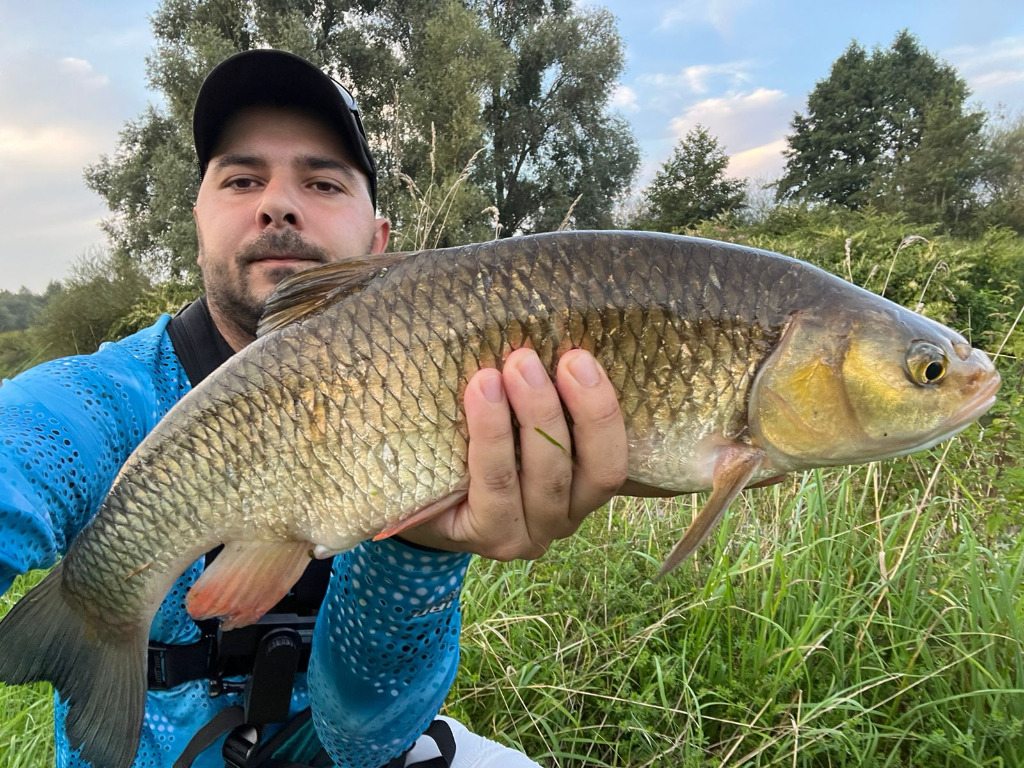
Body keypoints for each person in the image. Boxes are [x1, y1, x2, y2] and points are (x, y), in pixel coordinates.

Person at [0, 49, 628, 768]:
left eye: (323, 182)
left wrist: (420, 551)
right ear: (199, 223)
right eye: (242, 179)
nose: (277, 203)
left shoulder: (444, 384)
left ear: (379, 243)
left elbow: (364, 741)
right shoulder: (100, 399)